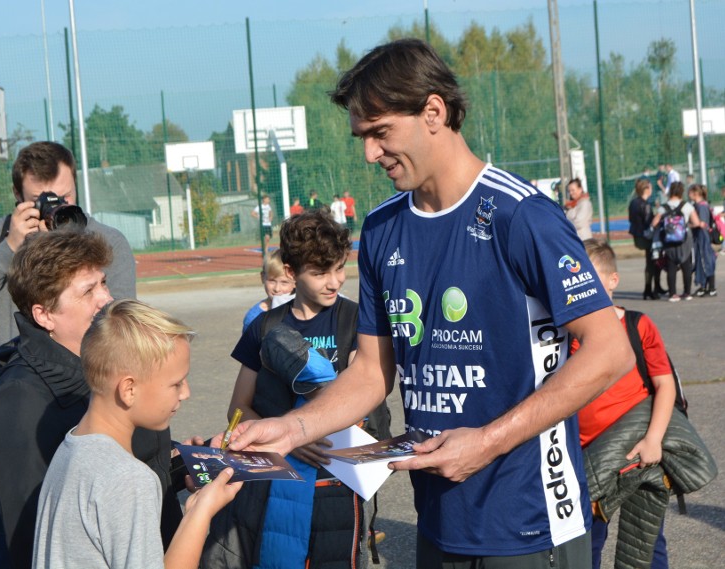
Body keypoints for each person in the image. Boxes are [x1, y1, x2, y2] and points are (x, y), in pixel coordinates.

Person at [229, 39, 633, 568]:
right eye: (362, 137)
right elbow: (374, 371)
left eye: (380, 133)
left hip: (530, 524)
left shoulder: (522, 216)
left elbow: (610, 352)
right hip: (440, 517)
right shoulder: (381, 230)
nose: (369, 153)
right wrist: (295, 427)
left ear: (434, 112)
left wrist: (487, 442)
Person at [0, 141, 143, 569]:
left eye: (66, 197)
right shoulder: (1, 237)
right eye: (43, 200)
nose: (56, 207)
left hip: (90, 399)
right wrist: (11, 248)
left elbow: (118, 327)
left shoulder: (106, 242)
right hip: (21, 401)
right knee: (18, 538)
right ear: (20, 199)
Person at [0, 230, 182, 569]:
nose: (105, 297)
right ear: (44, 315)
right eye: (88, 291)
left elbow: (119, 474)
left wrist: (181, 462)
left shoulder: (103, 362)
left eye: (102, 283)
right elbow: (33, 540)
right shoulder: (20, 403)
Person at [202, 209, 387, 568]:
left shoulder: (356, 319)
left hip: (337, 481)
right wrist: (291, 437)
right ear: (290, 272)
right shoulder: (264, 326)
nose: (334, 282)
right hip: (278, 478)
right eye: (320, 273)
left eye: (339, 269)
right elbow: (237, 410)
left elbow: (366, 397)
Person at [32, 299, 241, 568]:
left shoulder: (73, 445)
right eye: (176, 383)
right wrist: (202, 512)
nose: (186, 393)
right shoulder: (129, 479)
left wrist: (191, 508)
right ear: (129, 389)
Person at [573, 239, 673, 568]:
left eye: (590, 278)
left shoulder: (637, 326)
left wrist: (654, 440)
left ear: (613, 281)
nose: (581, 286)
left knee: (644, 543)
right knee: (587, 543)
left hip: (637, 456)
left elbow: (664, 384)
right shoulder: (567, 333)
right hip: (590, 461)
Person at [651, 181, 701, 301]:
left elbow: (654, 223)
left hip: (668, 239)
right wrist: (686, 225)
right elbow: (696, 222)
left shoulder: (664, 207)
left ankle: (672, 293)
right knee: (686, 266)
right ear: (681, 192)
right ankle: (687, 292)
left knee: (671, 266)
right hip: (684, 239)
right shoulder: (687, 206)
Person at [628, 177, 665, 299]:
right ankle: (650, 289)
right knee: (653, 262)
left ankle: (653, 288)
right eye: (650, 187)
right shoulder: (645, 205)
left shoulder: (633, 202)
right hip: (645, 236)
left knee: (651, 261)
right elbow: (649, 222)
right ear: (646, 189)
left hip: (637, 235)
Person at [242, 250, 294, 331]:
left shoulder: (304, 310)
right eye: (272, 281)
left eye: (284, 282)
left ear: (296, 282)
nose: (277, 289)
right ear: (263, 277)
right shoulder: (254, 316)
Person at [687, 184, 717, 296]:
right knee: (701, 262)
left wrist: (688, 225)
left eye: (690, 192)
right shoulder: (698, 205)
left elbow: (702, 224)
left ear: (696, 193)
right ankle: (704, 286)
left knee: (706, 262)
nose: (688, 194)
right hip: (699, 238)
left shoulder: (702, 206)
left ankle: (711, 287)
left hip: (703, 238)